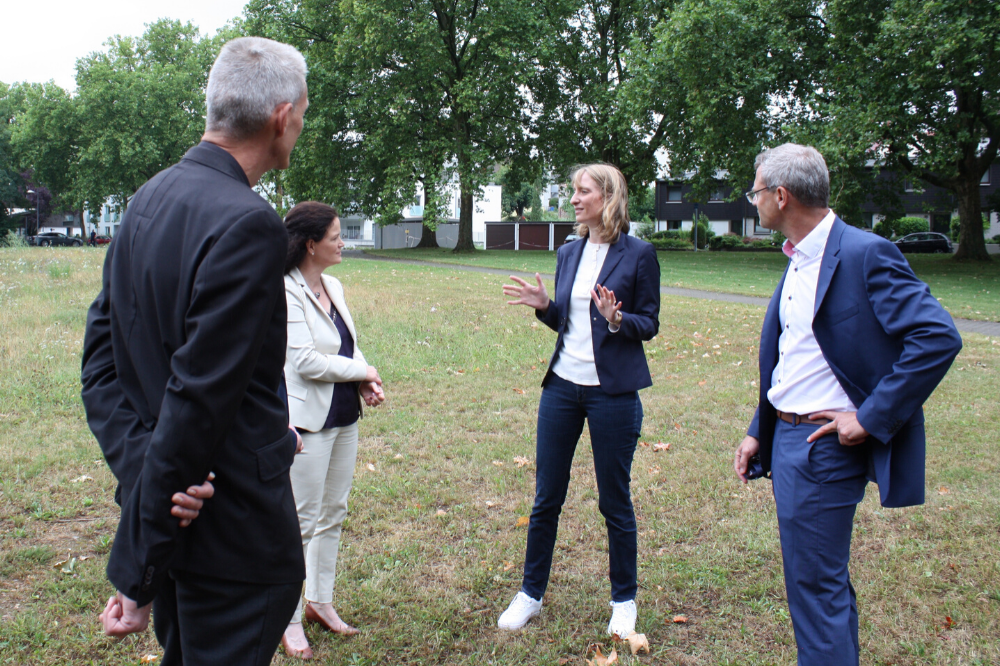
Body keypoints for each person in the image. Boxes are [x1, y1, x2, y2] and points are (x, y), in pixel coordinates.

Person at [80, 37, 311, 665]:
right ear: (281, 117)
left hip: (177, 511)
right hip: (230, 539)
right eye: (303, 117)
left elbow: (99, 366)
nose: (299, 129)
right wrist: (139, 560)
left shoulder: (145, 199)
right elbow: (198, 398)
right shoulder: (250, 222)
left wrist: (142, 471)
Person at [733, 144, 962, 665]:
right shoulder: (799, 256)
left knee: (815, 591)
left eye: (756, 191)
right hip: (788, 437)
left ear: (781, 195)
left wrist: (870, 416)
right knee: (820, 586)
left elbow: (937, 337)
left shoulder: (862, 252)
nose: (755, 202)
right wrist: (758, 429)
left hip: (822, 449)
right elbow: (794, 356)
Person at [499, 163, 660, 638]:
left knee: (615, 502)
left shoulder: (639, 254)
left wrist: (616, 319)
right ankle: (530, 594)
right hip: (562, 390)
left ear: (607, 197)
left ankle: (623, 601)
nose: (574, 199)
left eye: (583, 191)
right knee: (547, 496)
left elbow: (648, 323)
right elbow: (567, 322)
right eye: (574, 191)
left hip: (612, 395)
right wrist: (545, 307)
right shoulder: (569, 252)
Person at [278, 202, 385, 659]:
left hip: (343, 415)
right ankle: (286, 619)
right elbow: (304, 360)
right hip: (306, 421)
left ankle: (320, 601)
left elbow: (347, 346)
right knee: (300, 521)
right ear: (310, 244)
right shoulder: (284, 290)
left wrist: (363, 381)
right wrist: (362, 369)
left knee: (334, 512)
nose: (344, 242)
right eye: (337, 236)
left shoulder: (334, 284)